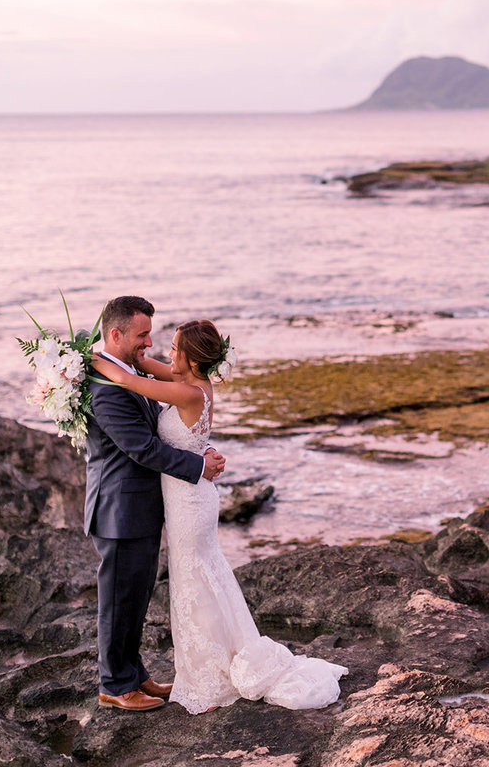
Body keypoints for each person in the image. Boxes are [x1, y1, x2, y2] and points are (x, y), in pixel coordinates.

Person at [92, 317, 348, 713]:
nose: (163, 350)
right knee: (195, 579)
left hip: (190, 500)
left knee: (196, 579)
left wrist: (92, 360)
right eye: (148, 337)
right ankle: (164, 672)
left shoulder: (188, 392)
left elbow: (130, 381)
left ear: (192, 359)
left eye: (174, 348)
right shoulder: (189, 384)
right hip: (182, 496)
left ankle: (208, 674)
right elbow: (140, 369)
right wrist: (98, 358)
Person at [85, 296, 226, 712]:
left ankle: (134, 673)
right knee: (117, 601)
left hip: (147, 508)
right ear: (116, 334)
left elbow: (161, 415)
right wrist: (198, 464)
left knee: (136, 596)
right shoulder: (108, 388)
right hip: (119, 511)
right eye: (143, 334)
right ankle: (114, 684)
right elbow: (142, 448)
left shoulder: (129, 371)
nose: (151, 342)